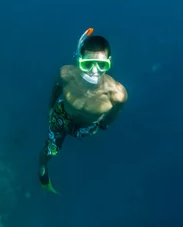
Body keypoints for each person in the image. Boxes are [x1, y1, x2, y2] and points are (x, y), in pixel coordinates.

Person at [38, 28, 128, 194]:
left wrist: (103, 126)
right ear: (80, 60)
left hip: (87, 127)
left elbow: (116, 111)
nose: (94, 71)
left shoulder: (117, 94)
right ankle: (42, 167)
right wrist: (51, 108)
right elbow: (56, 87)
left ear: (109, 62)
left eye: (102, 65)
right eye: (87, 64)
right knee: (49, 150)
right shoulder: (66, 74)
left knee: (81, 138)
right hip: (61, 116)